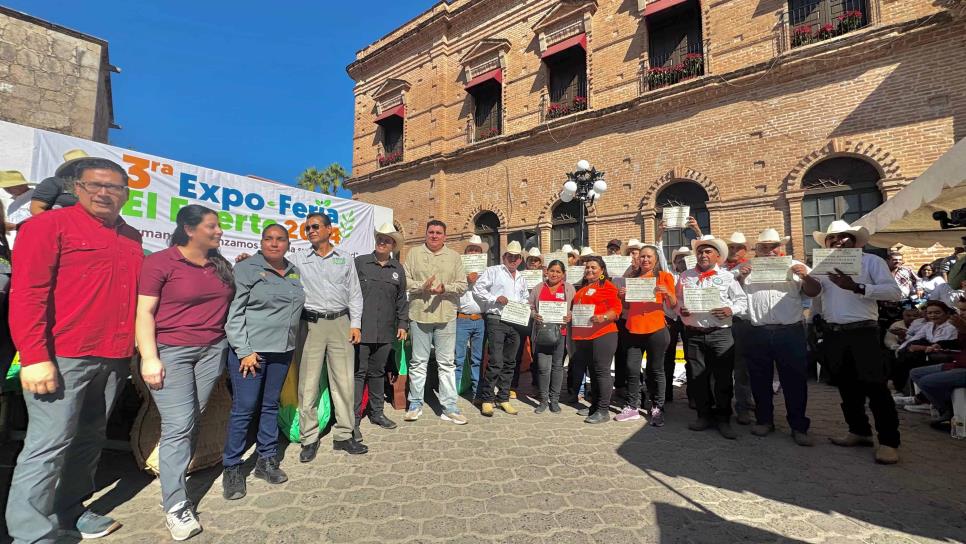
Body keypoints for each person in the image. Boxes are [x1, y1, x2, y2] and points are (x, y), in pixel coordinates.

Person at [6, 158, 139, 543]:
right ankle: (32, 533)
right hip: (61, 356)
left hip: (113, 358)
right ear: (75, 188)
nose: (104, 193)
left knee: (89, 439)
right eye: (95, 185)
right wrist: (33, 356)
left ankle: (70, 510)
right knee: (47, 446)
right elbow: (28, 294)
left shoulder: (131, 237)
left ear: (125, 195)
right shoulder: (47, 226)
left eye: (114, 187)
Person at [137, 204, 234, 540]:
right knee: (179, 424)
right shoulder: (160, 262)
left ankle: (174, 472)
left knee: (194, 416)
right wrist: (149, 357)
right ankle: (176, 505)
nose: (219, 231)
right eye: (212, 226)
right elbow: (144, 312)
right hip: (171, 352)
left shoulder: (219, 265)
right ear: (190, 229)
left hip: (212, 350)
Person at [222, 223, 305, 500]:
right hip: (251, 353)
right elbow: (234, 314)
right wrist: (244, 350)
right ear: (261, 242)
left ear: (288, 244)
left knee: (270, 405)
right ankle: (232, 467)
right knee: (244, 408)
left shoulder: (294, 271)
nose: (274, 243)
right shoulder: (246, 269)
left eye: (280, 239)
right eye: (269, 239)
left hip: (282, 351)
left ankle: (266, 459)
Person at [811, 220, 902, 464]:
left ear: (855, 241)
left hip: (863, 332)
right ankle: (859, 431)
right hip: (834, 333)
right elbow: (816, 297)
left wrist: (858, 287)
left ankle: (889, 442)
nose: (838, 242)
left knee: (875, 386)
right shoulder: (822, 265)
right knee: (846, 385)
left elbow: (894, 293)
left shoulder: (872, 261)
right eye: (833, 239)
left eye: (844, 237)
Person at [735, 229, 819, 446]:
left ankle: (799, 426)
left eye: (774, 246)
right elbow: (732, 295)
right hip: (757, 330)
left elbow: (814, 291)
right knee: (759, 379)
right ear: (758, 250)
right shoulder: (746, 269)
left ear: (780, 247)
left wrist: (805, 276)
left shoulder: (796, 266)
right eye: (764, 247)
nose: (770, 250)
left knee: (794, 381)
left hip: (789, 331)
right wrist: (741, 278)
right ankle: (764, 421)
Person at [292, 212, 365, 459]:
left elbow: (355, 293)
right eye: (307, 228)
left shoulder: (344, 259)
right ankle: (309, 438)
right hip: (311, 325)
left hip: (340, 324)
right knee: (308, 384)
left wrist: (355, 324)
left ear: (329, 229)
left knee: (344, 382)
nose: (311, 231)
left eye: (315, 226)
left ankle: (344, 434)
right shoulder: (299, 258)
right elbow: (277, 268)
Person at [678, 235, 748, 439]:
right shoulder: (685, 276)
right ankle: (704, 415)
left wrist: (730, 309)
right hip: (694, 335)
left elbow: (741, 301)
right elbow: (679, 301)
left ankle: (724, 419)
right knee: (698, 378)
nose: (703, 254)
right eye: (700, 251)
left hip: (720, 334)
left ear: (718, 256)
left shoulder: (727, 277)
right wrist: (681, 310)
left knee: (723, 379)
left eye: (708, 251)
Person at [403, 220, 468, 422]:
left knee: (447, 363)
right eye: (431, 232)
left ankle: (449, 405)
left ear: (445, 236)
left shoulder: (454, 257)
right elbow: (404, 281)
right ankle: (415, 403)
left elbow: (462, 285)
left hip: (446, 315)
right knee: (418, 362)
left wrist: (445, 289)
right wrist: (423, 286)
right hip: (419, 315)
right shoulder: (413, 254)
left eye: (438, 232)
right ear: (426, 234)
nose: (434, 236)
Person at [354, 223, 409, 435]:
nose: (382, 242)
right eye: (380, 238)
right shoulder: (360, 263)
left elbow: (401, 300)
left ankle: (377, 413)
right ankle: (354, 419)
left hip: (386, 331)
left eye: (387, 240)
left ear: (393, 245)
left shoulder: (398, 269)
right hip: (361, 330)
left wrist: (402, 324)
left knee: (377, 373)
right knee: (359, 374)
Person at [617, 244, 675, 426]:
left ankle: (657, 407)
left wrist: (667, 293)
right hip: (633, 328)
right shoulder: (631, 278)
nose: (645, 259)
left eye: (649, 256)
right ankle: (632, 406)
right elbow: (627, 308)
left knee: (656, 370)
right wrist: (622, 296)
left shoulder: (664, 277)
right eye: (642, 256)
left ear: (656, 259)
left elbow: (673, 304)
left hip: (656, 328)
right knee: (632, 369)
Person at [474, 241, 529, 416]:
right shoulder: (493, 271)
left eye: (516, 257)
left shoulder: (521, 277)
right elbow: (477, 289)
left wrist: (525, 307)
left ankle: (503, 398)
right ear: (504, 257)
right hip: (497, 319)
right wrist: (495, 298)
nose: (513, 259)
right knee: (496, 360)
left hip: (515, 321)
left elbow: (525, 297)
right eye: (510, 256)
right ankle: (487, 398)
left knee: (510, 362)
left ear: (520, 259)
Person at [570, 256, 623, 424]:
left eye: (593, 267)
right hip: (585, 336)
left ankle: (603, 410)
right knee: (593, 372)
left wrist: (604, 317)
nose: (589, 270)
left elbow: (616, 309)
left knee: (601, 371)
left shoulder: (607, 286)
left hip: (603, 334)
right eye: (587, 268)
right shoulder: (584, 288)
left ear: (602, 270)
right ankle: (594, 405)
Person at [909, 299, 966, 426]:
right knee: (915, 373)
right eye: (960, 310)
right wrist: (940, 344)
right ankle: (942, 406)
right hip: (958, 363)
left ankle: (948, 411)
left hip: (963, 367)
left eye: (964, 310)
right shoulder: (960, 324)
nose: (961, 313)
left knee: (927, 381)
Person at [528, 260, 574, 413]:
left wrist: (570, 315)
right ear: (546, 272)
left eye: (558, 271)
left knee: (557, 367)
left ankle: (554, 400)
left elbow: (576, 308)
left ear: (563, 274)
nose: (554, 274)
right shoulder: (538, 288)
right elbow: (530, 306)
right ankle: (543, 400)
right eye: (552, 271)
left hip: (561, 333)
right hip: (542, 334)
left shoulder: (568, 288)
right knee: (542, 368)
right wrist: (535, 315)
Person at [891, 300, 958, 394]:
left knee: (910, 356)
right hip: (927, 353)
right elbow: (915, 338)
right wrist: (902, 348)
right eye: (930, 313)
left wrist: (920, 347)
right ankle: (902, 389)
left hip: (941, 355)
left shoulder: (951, 327)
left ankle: (904, 389)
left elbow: (942, 345)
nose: (933, 315)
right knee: (904, 353)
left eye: (937, 313)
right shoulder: (929, 325)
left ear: (946, 313)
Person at [723, 231, 754, 424]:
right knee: (721, 367)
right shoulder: (720, 269)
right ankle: (722, 406)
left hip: (741, 322)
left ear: (745, 250)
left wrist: (742, 279)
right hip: (722, 322)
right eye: (731, 247)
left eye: (738, 247)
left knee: (741, 369)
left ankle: (743, 407)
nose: (734, 250)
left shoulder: (752, 267)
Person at [455, 235, 488, 400]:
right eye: (471, 250)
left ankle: (477, 392)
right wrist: (467, 281)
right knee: (458, 358)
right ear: (466, 252)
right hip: (461, 319)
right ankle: (453, 393)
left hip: (480, 320)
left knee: (478, 358)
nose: (474, 252)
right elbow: (453, 291)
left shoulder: (486, 272)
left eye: (477, 250)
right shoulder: (457, 270)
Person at [28, 150, 88, 215]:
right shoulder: (53, 182)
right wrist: (56, 223)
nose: (86, 167)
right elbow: (36, 209)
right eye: (79, 164)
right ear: (70, 167)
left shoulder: (94, 185)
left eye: (89, 164)